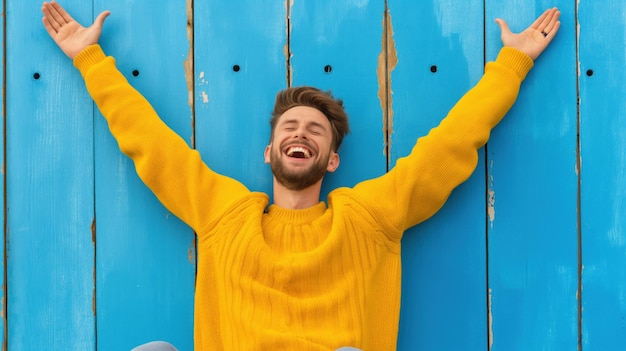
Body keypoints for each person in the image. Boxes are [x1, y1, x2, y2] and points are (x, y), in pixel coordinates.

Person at [41, 1, 560, 350]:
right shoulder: (224, 213)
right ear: (270, 152)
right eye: (291, 126)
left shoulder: (367, 218)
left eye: (317, 130)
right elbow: (150, 143)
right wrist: (89, 59)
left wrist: (512, 63)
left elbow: (448, 147)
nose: (303, 133)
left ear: (331, 160)